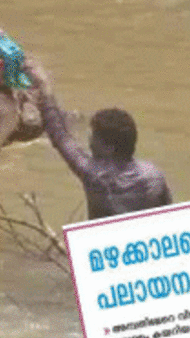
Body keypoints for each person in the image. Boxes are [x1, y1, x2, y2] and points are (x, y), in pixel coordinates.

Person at [25, 63, 172, 220]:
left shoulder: (95, 176)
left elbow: (59, 135)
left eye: (95, 137)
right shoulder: (153, 175)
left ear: (109, 148)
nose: (90, 141)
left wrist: (44, 88)